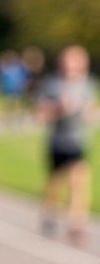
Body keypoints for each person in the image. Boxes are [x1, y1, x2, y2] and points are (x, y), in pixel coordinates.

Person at [36, 44, 97, 246]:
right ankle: (50, 213)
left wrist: (88, 112)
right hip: (57, 141)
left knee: (79, 179)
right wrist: (59, 108)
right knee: (54, 183)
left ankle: (76, 221)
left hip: (78, 141)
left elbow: (91, 112)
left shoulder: (88, 85)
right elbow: (41, 114)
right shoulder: (52, 85)